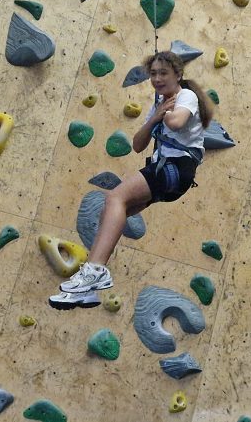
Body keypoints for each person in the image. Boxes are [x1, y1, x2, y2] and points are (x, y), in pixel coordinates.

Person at [49, 51, 214, 310]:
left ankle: (95, 271)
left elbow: (176, 122)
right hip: (168, 173)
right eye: (153, 74)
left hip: (176, 168)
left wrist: (164, 113)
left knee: (115, 197)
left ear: (178, 75)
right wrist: (156, 115)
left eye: (163, 73)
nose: (157, 79)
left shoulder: (186, 96)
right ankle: (88, 289)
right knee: (112, 213)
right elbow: (138, 144)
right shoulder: (160, 104)